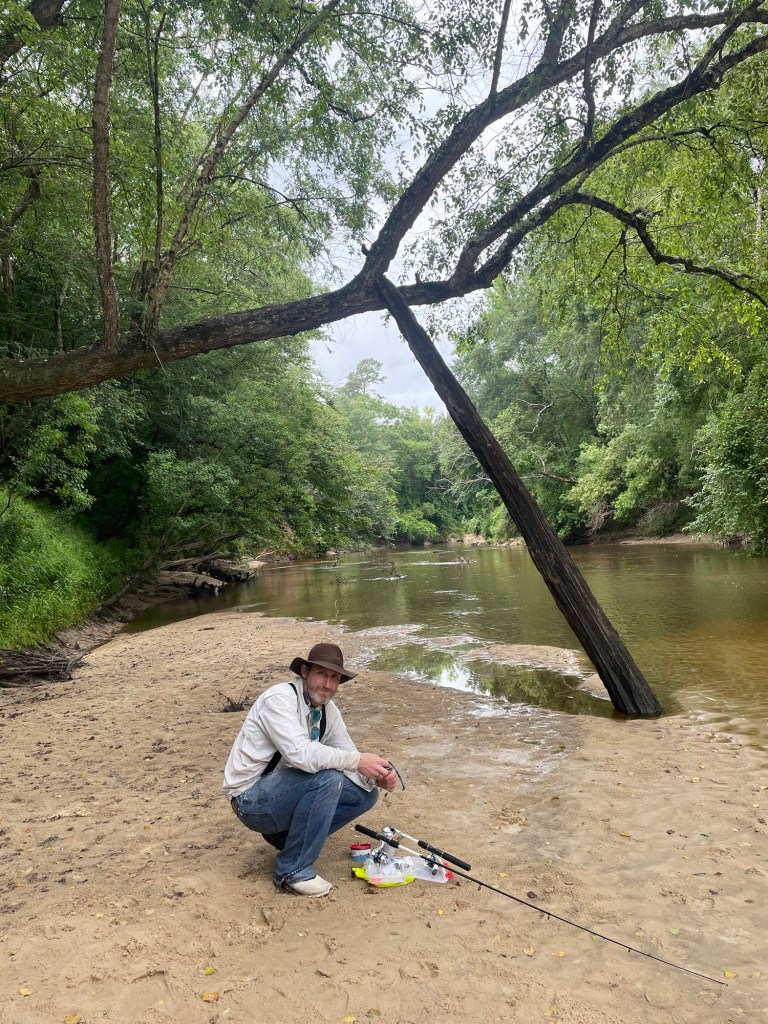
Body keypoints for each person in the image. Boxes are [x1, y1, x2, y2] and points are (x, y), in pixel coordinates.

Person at [222, 642, 397, 897]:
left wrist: (375, 776)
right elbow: (301, 755)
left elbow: (347, 752)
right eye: (321, 674)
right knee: (328, 777)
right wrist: (358, 761)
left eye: (334, 678)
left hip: (280, 793)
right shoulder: (279, 699)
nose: (327, 684)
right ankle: (292, 871)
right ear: (304, 672)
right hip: (249, 800)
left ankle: (286, 840)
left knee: (365, 794)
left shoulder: (328, 711)